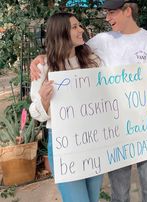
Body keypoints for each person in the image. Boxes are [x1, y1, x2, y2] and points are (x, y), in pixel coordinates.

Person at [30, 0, 147, 202]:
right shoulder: (101, 41)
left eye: (112, 12)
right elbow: (68, 51)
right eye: (106, 12)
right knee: (119, 195)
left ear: (127, 11)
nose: (107, 17)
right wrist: (42, 57)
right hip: (115, 132)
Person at [29, 12, 103, 202]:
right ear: (61, 33)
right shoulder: (44, 67)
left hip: (93, 139)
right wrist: (44, 101)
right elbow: (35, 112)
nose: (81, 30)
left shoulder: (92, 60)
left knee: (93, 198)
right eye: (75, 27)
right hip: (65, 143)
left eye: (80, 25)